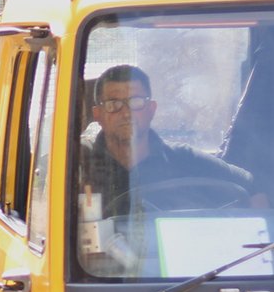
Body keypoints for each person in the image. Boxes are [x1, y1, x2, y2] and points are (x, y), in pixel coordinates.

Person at [78, 63, 252, 274]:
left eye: (136, 102)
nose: (126, 113)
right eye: (113, 104)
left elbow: (251, 187)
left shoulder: (184, 159)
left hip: (184, 281)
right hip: (100, 283)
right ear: (97, 114)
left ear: (151, 109)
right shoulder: (76, 168)